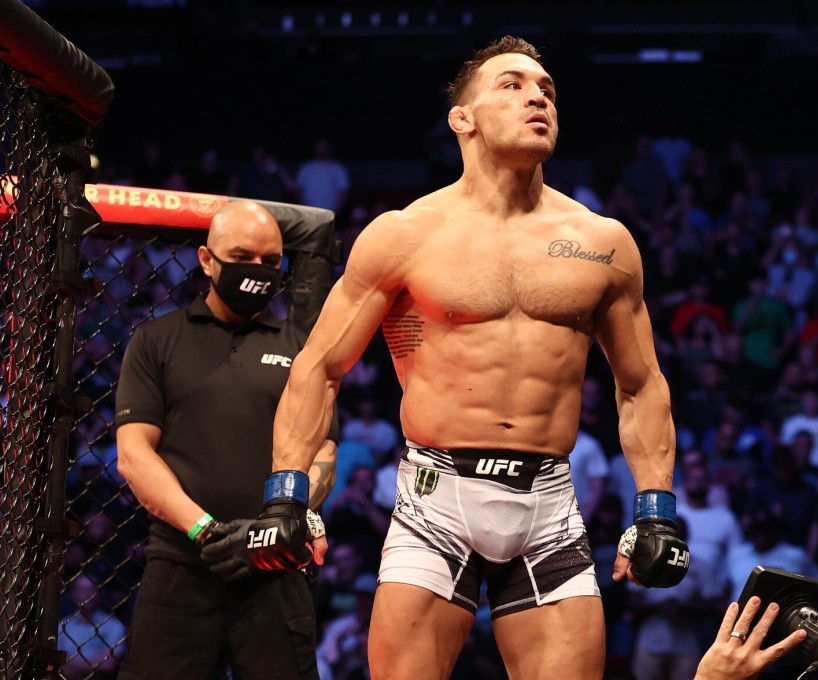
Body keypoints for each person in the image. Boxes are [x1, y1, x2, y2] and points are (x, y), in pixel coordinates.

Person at [246, 36, 688, 680]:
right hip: (436, 498)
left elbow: (641, 384)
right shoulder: (405, 235)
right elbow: (319, 366)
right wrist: (287, 497)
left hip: (549, 505)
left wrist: (657, 510)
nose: (538, 96)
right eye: (511, 85)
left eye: (547, 90)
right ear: (464, 118)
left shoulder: (602, 242)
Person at [114, 201, 338, 679]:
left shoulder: (301, 348)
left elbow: (323, 449)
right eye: (243, 256)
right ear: (207, 259)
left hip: (275, 564)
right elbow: (134, 455)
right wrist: (207, 531)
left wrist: (277, 524)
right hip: (182, 562)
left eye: (270, 262)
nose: (257, 271)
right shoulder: (158, 340)